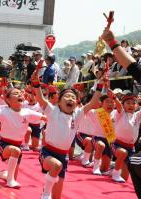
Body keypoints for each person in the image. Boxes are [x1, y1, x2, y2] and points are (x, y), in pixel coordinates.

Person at [31, 70, 103, 199]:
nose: (71, 99)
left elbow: (93, 102)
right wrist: (36, 83)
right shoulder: (53, 111)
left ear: (76, 103)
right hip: (48, 153)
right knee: (56, 166)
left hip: (63, 156)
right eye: (67, 96)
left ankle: (47, 190)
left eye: (73, 98)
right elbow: (40, 98)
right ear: (59, 101)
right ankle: (45, 194)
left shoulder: (78, 114)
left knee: (57, 196)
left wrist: (100, 85)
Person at [101, 27, 141, 199]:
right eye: (128, 102)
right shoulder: (122, 111)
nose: (131, 104)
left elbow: (134, 68)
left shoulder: (137, 113)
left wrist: (112, 43)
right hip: (121, 145)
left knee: (132, 161)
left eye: (133, 102)